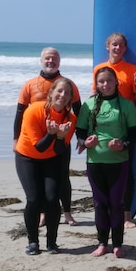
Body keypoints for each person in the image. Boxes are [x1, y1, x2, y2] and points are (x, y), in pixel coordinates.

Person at [76, 66, 136, 258]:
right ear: (97, 84)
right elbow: (80, 132)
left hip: (118, 162)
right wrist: (85, 142)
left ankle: (118, 244)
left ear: (116, 83)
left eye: (109, 81)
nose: (105, 85)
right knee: (100, 203)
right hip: (95, 161)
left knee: (116, 204)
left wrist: (123, 145)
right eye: (101, 82)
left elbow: (135, 133)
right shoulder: (88, 105)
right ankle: (102, 242)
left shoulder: (126, 105)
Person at [14, 47, 82, 227]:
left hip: (61, 136)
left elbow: (78, 112)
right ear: (41, 60)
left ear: (59, 62)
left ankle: (67, 212)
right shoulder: (30, 84)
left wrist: (81, 138)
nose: (51, 61)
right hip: (37, 140)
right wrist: (16, 139)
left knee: (62, 176)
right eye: (47, 58)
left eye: (54, 59)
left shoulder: (68, 84)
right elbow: (20, 113)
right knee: (40, 182)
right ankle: (44, 214)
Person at [14, 77, 76, 255]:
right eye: (60, 91)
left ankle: (52, 242)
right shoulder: (34, 110)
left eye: (67, 93)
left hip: (51, 159)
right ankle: (33, 241)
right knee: (34, 199)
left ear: (71, 98)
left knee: (51, 199)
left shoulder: (70, 118)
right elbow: (39, 147)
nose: (63, 95)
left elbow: (58, 150)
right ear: (51, 93)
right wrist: (52, 134)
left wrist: (60, 137)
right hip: (27, 157)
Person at [92, 32, 136, 229]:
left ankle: (126, 216)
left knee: (126, 170)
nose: (118, 48)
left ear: (125, 49)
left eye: (121, 45)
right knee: (102, 170)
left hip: (124, 126)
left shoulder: (133, 70)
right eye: (114, 44)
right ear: (107, 47)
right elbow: (94, 97)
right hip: (103, 126)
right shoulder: (99, 69)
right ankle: (106, 211)